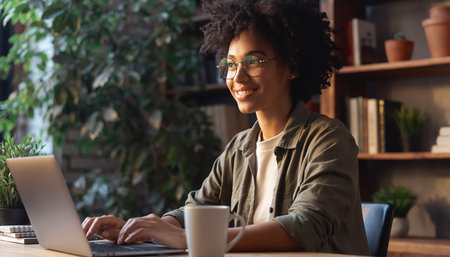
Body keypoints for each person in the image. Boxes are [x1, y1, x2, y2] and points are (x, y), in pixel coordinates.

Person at [82, 0, 370, 254]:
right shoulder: (239, 148)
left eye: (253, 61)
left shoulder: (329, 139)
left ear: (293, 65)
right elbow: (197, 210)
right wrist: (143, 229)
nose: (238, 76)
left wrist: (187, 239)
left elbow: (305, 226)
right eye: (230, 65)